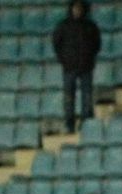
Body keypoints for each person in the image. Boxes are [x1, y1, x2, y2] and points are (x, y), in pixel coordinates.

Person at [52, 0, 100, 133]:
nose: (77, 11)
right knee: (69, 98)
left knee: (87, 96)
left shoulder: (90, 26)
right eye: (75, 8)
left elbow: (97, 44)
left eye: (79, 8)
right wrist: (64, 60)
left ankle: (87, 124)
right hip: (69, 68)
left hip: (86, 67)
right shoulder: (63, 26)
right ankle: (70, 125)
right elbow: (56, 44)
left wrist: (90, 58)